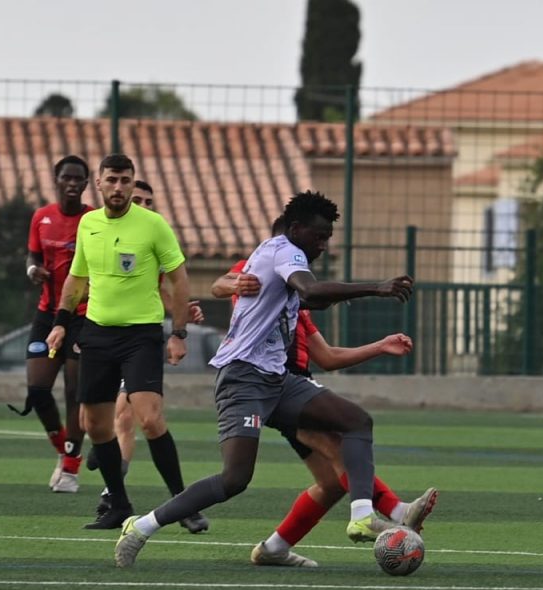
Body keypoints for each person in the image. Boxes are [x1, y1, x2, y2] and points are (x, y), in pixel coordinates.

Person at [115, 190, 413, 567]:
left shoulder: (280, 253)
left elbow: (311, 299)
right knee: (235, 479)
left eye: (328, 238)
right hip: (243, 378)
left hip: (277, 380)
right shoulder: (285, 251)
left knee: (356, 421)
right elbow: (311, 291)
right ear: (296, 229)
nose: (323, 245)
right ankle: (141, 526)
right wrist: (377, 287)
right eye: (319, 236)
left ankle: (362, 516)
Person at [212, 241, 437, 568]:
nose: (319, 247)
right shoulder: (266, 270)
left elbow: (327, 357)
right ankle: (396, 510)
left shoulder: (296, 306)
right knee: (340, 447)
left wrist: (380, 346)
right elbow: (220, 284)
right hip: (276, 384)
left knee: (331, 483)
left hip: (296, 384)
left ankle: (274, 548)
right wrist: (234, 284)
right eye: (317, 239)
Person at [47, 154, 199, 532]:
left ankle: (184, 504)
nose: (118, 187)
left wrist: (178, 333)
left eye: (125, 180)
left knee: (149, 418)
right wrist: (61, 323)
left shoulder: (153, 225)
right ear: (99, 183)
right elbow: (77, 278)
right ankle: (118, 504)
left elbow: (179, 279)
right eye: (112, 180)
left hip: (141, 335)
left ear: (133, 184)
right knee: (95, 425)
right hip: (97, 333)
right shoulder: (88, 224)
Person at [89, 179, 210, 533]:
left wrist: (181, 317)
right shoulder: (99, 230)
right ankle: (114, 490)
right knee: (114, 418)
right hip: (102, 336)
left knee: (141, 419)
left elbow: (164, 286)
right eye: (138, 199)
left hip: (140, 340)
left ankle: (173, 502)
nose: (142, 205)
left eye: (148, 201)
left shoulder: (153, 235)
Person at [8, 155, 92, 494]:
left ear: (86, 184)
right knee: (38, 390)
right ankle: (62, 447)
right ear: (56, 180)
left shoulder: (93, 220)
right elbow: (33, 255)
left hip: (82, 315)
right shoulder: (41, 217)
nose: (71, 183)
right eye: (66, 177)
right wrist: (32, 269)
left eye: (78, 178)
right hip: (46, 314)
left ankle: (71, 465)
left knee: (74, 390)